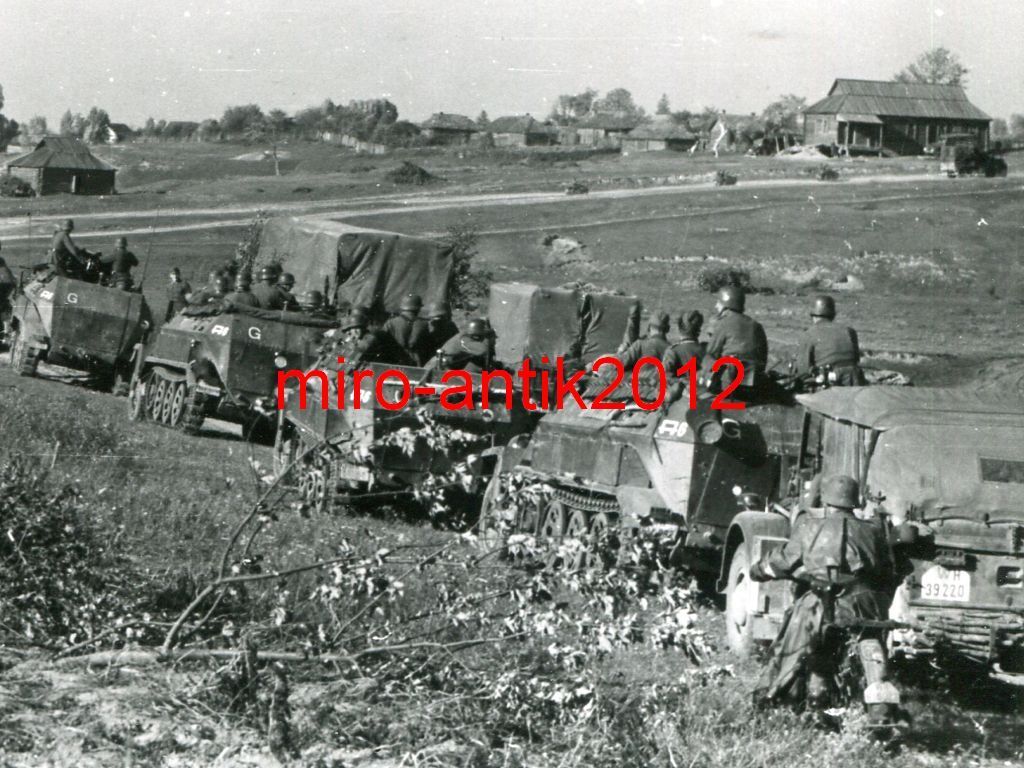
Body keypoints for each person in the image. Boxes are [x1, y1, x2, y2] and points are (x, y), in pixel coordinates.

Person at [749, 475, 901, 724]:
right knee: (871, 638)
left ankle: (773, 697)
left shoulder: (809, 526)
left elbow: (783, 561)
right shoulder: (874, 530)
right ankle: (877, 707)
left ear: (826, 500)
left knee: (791, 641)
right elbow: (888, 573)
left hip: (825, 603)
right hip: (866, 604)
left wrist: (758, 570)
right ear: (855, 501)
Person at [702, 285, 768, 393]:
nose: (716, 306)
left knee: (707, 358)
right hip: (756, 382)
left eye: (719, 302)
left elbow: (712, 352)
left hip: (729, 382)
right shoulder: (756, 325)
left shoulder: (723, 323)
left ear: (725, 305)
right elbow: (763, 358)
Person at [794, 295, 866, 386]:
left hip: (829, 382)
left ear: (813, 316)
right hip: (855, 379)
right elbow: (856, 359)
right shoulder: (850, 331)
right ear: (833, 315)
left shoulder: (808, 334)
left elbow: (803, 371)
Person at [662, 310, 705, 401]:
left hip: (681, 400)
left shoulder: (673, 351)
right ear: (698, 330)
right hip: (703, 397)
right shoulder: (706, 350)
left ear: (679, 329)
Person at [382, 294, 432, 365]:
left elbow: (382, 341)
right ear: (418, 308)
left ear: (402, 307)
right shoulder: (424, 324)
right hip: (417, 363)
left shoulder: (391, 322)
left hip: (395, 361)